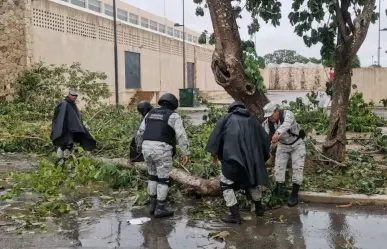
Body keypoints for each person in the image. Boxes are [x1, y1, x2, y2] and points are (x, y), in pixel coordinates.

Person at [205, 101, 271, 224]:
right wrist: (260, 158)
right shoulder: (252, 120)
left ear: (231, 109)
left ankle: (235, 216)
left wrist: (215, 155)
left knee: (226, 184)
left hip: (232, 159)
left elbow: (216, 138)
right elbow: (265, 139)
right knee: (252, 182)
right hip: (252, 161)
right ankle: (259, 209)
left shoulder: (226, 118)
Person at [136, 93, 190, 218]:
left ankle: (153, 206)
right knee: (163, 179)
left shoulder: (150, 113)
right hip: (161, 149)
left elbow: (140, 132)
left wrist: (139, 146)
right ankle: (160, 208)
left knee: (152, 176)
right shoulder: (173, 116)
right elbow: (181, 135)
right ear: (173, 104)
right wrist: (186, 152)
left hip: (146, 147)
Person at [262, 102, 306, 207]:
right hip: (283, 145)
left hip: (297, 144)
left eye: (271, 115)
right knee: (279, 168)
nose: (270, 118)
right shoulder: (266, 124)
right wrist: (266, 152)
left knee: (298, 168)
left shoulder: (288, 114)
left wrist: (277, 134)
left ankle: (294, 194)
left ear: (276, 111)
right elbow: (265, 139)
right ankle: (279, 190)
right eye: (268, 116)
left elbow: (286, 124)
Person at [51, 88, 96, 164]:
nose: (74, 97)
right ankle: (59, 161)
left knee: (69, 145)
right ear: (69, 95)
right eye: (73, 95)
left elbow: (76, 117)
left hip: (72, 130)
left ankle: (65, 161)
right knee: (64, 145)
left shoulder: (73, 104)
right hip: (65, 129)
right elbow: (59, 118)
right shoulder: (64, 104)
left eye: (76, 95)